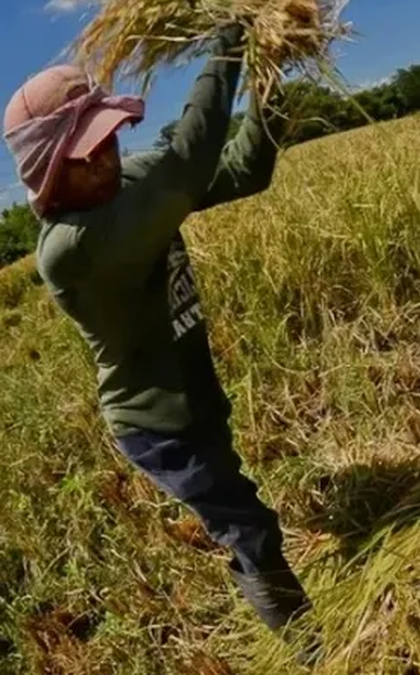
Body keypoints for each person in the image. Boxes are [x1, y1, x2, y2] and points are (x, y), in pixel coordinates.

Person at [3, 24, 318, 662]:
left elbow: (241, 170)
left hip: (194, 388)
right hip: (156, 424)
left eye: (107, 141)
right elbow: (189, 162)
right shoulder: (71, 249)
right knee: (249, 527)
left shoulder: (128, 184)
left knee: (235, 492)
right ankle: (314, 647)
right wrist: (231, 41)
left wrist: (268, 75)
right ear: (47, 170)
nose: (105, 160)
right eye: (84, 154)